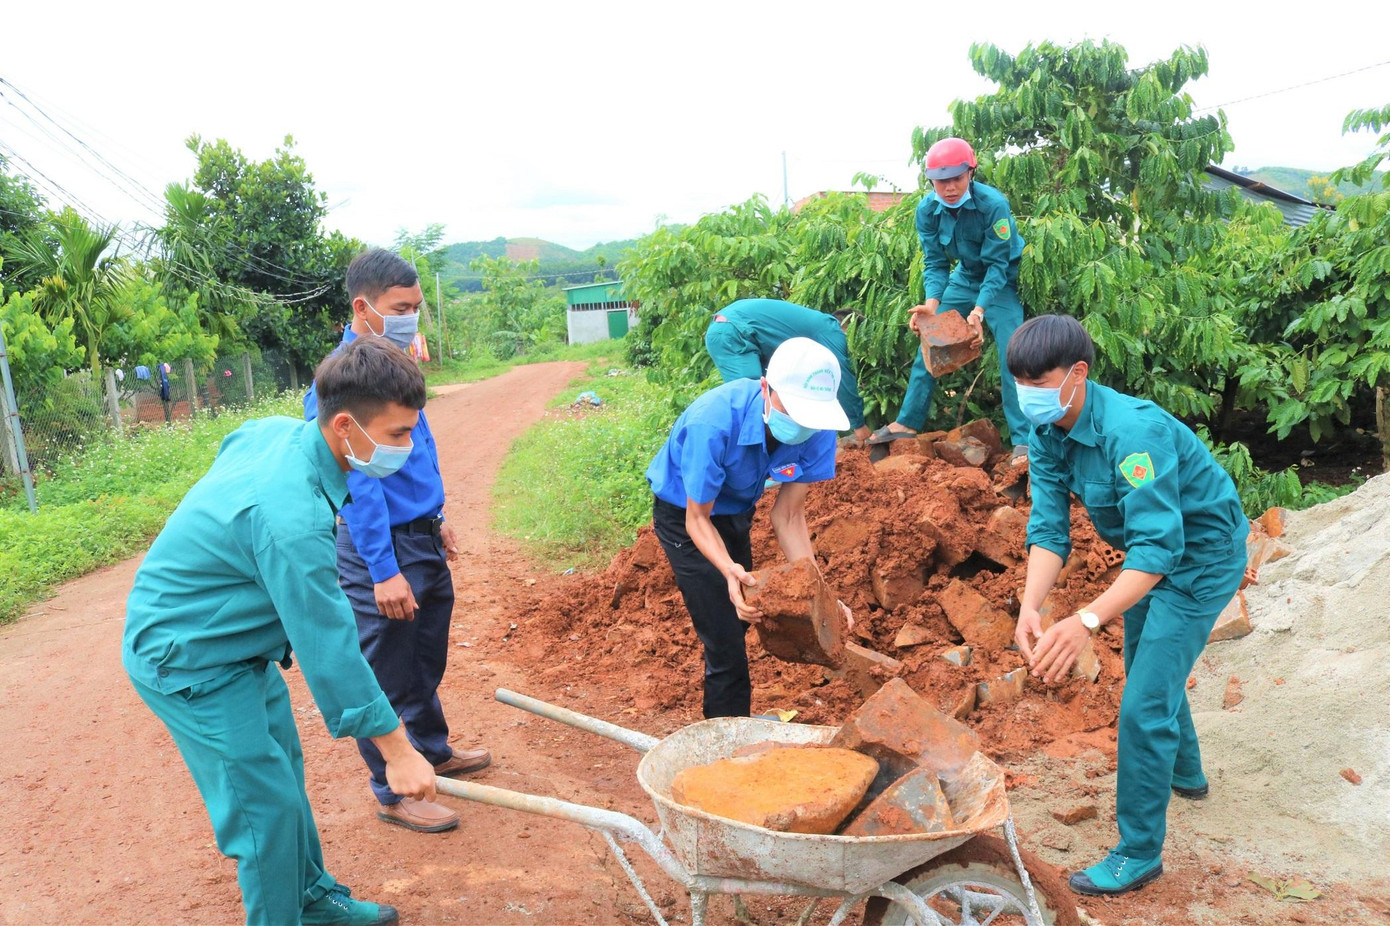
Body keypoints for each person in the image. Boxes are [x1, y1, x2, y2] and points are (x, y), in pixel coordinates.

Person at [124, 338, 437, 926]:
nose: (409, 446)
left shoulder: (279, 432)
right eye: (397, 434)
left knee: (284, 780)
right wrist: (398, 752)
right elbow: (329, 643)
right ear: (345, 425)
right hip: (187, 659)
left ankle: (312, 899)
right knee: (262, 812)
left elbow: (232, 444)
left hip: (241, 649)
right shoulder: (287, 520)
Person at [1008, 315, 1249, 897]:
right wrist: (1030, 605)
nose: (1028, 394)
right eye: (1020, 382)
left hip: (1201, 560)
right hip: (1152, 557)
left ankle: (1138, 852)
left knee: (1143, 704)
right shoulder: (1047, 433)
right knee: (1149, 669)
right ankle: (1186, 775)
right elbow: (1048, 530)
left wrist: (1088, 619)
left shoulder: (1130, 434)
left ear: (1079, 374)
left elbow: (1160, 548)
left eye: (1040, 381)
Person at [304, 249, 488, 836]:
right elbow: (359, 488)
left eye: (415, 308)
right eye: (400, 308)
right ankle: (391, 788)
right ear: (364, 307)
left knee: (424, 656)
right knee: (385, 666)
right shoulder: (344, 385)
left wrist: (437, 517)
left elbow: (417, 458)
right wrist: (383, 570)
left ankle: (430, 750)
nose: (412, 318)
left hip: (421, 537)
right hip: (379, 549)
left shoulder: (394, 363)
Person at [647, 337, 850, 718]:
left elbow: (787, 516)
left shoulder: (819, 428)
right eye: (797, 410)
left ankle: (729, 715)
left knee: (739, 617)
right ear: (765, 388)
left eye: (812, 415)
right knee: (726, 642)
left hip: (736, 510)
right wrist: (727, 569)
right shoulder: (714, 422)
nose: (805, 423)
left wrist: (821, 593)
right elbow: (697, 518)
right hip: (685, 516)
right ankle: (725, 743)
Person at [867, 137, 1030, 462]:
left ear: (971, 172)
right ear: (931, 181)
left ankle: (1025, 440)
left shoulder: (993, 205)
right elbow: (936, 263)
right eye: (942, 181)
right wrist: (931, 305)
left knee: (1014, 354)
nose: (950, 187)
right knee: (930, 341)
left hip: (1000, 282)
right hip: (965, 277)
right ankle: (907, 423)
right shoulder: (927, 210)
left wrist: (979, 311)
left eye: (957, 178)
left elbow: (998, 265)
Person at [704, 298, 871, 442]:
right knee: (753, 398)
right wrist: (859, 426)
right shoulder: (832, 330)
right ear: (849, 327)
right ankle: (752, 461)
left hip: (736, 329)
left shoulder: (814, 328)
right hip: (732, 331)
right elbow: (841, 379)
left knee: (769, 396)